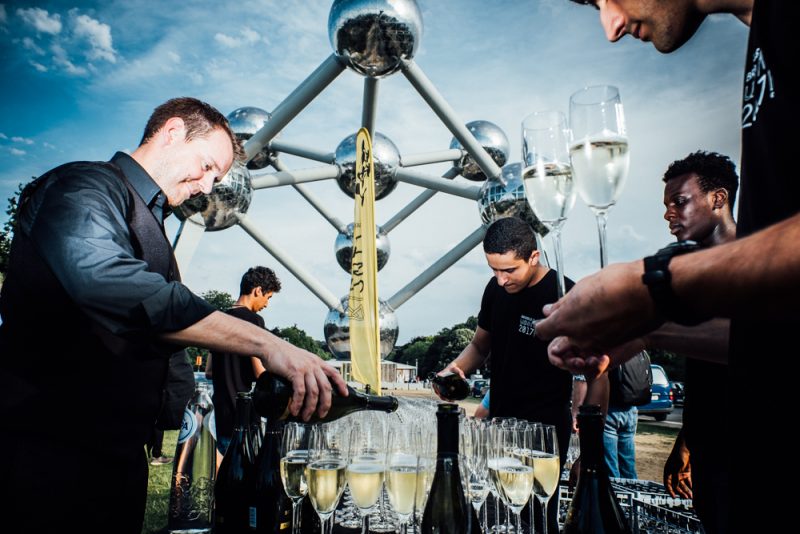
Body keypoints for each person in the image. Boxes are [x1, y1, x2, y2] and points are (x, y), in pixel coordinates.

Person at [0, 97, 346, 534]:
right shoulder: (81, 185)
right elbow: (107, 283)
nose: (207, 186)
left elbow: (161, 336)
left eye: (216, 178)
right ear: (172, 132)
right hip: (46, 456)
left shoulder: (151, 219)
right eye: (206, 166)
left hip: (116, 461)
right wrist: (267, 343)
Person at [542, 1, 797, 530]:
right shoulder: (762, 44)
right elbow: (773, 327)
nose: (610, 27)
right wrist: (648, 324)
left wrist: (653, 287)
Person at [434, 216, 576, 533]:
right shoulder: (495, 289)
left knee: (535, 521)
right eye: (494, 270)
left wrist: (590, 449)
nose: (500, 280)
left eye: (509, 270)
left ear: (534, 257)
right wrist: (455, 369)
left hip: (544, 433)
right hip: (498, 426)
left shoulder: (564, 293)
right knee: (492, 516)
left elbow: (595, 374)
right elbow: (479, 345)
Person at [658, 150, 737, 532]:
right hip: (706, 456)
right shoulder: (693, 277)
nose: (668, 214)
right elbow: (704, 376)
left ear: (718, 199)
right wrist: (686, 445)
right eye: (666, 205)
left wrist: (646, 331)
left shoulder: (758, 267)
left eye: (679, 201)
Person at [212, 266, 281, 454]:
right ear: (258, 290)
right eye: (268, 297)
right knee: (247, 467)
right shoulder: (254, 321)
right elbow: (260, 373)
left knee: (227, 465)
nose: (266, 304)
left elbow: (209, 371)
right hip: (245, 414)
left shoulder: (218, 319)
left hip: (222, 414)